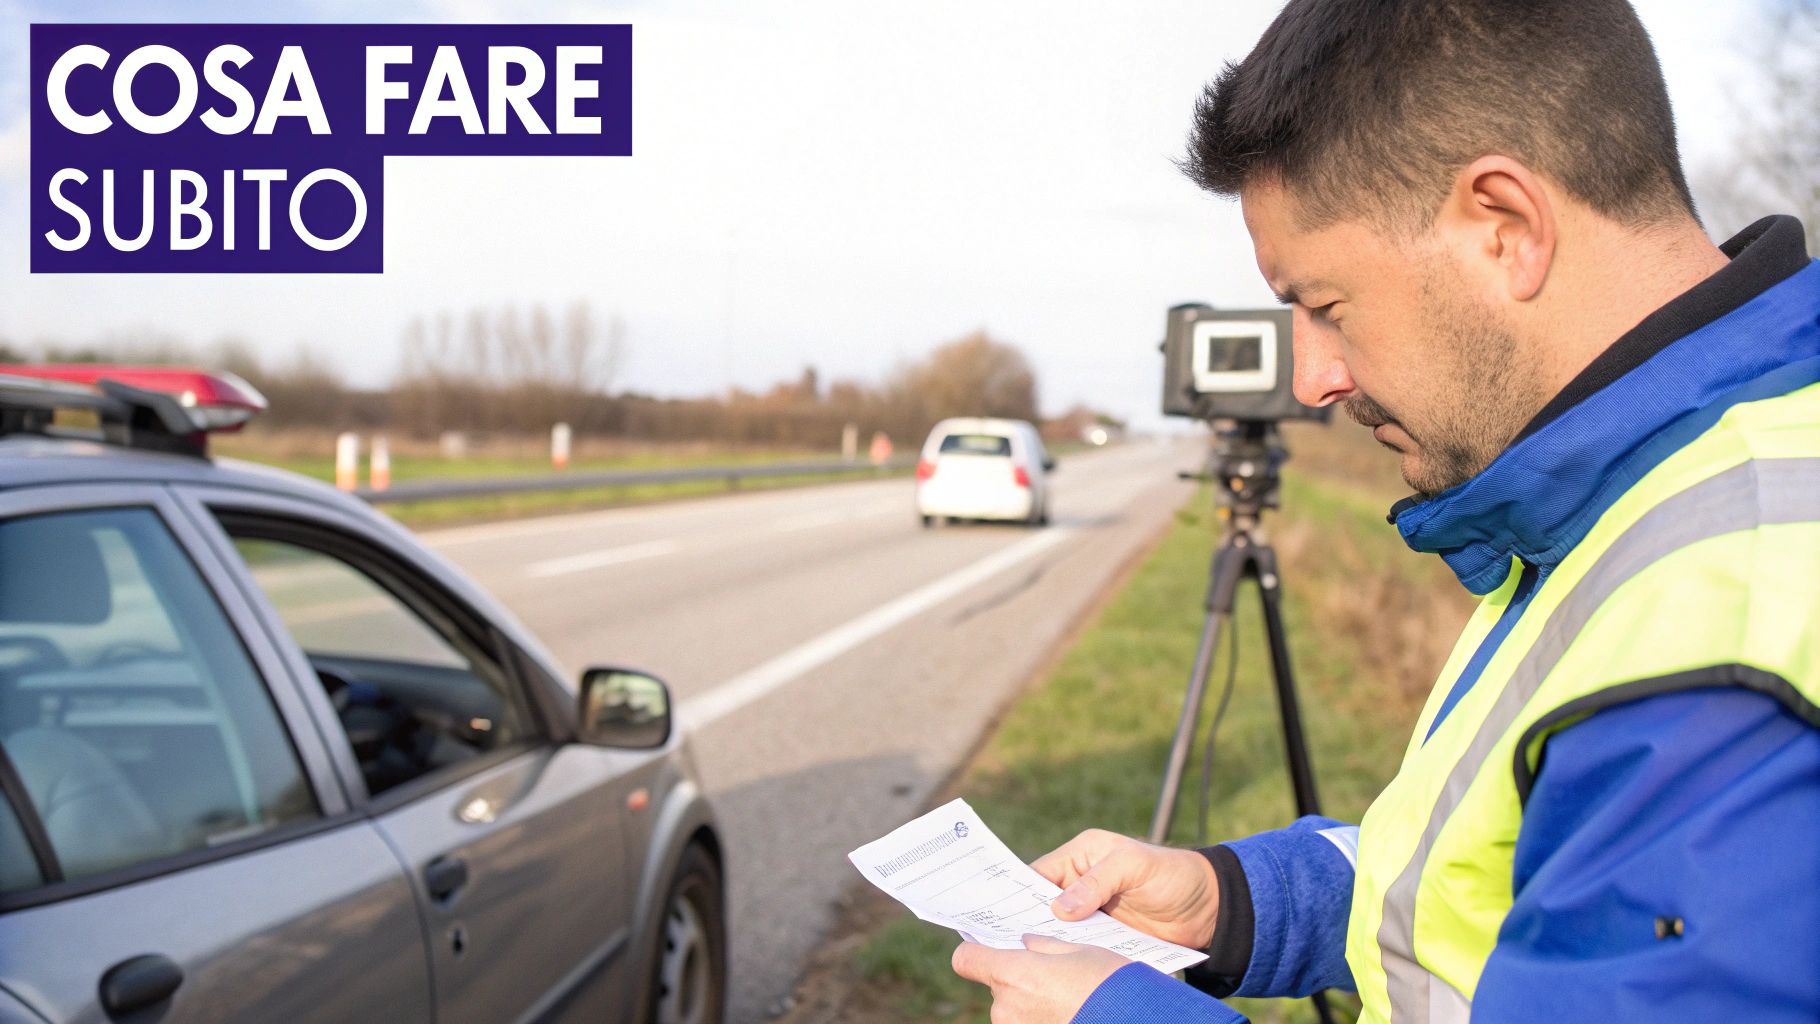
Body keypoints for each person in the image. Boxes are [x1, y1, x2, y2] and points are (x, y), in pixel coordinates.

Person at [949, 0, 1820, 1020]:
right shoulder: (1646, 500)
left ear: (1503, 226)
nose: (1312, 377)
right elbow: (1513, 898)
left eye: (1324, 305)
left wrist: (1117, 1014)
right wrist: (1235, 903)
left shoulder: (1725, 621)